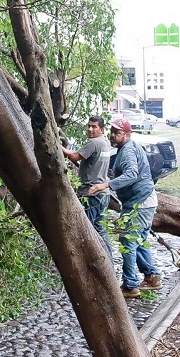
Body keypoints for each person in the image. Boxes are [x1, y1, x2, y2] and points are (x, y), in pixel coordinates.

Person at [89, 118, 162, 298]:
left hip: (140, 203)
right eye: (112, 131)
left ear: (127, 135)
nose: (114, 135)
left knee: (127, 242)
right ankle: (152, 277)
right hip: (143, 201)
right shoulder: (126, 148)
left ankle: (130, 285)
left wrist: (104, 185)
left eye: (118, 133)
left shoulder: (128, 150)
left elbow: (131, 174)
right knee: (139, 239)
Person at [62, 116, 113, 257]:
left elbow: (74, 157)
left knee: (86, 231)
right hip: (103, 194)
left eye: (94, 127)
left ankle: (88, 259)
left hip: (92, 193)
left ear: (101, 129)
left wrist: (58, 146)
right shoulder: (105, 142)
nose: (90, 129)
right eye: (89, 126)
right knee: (100, 229)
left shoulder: (94, 143)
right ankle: (108, 259)